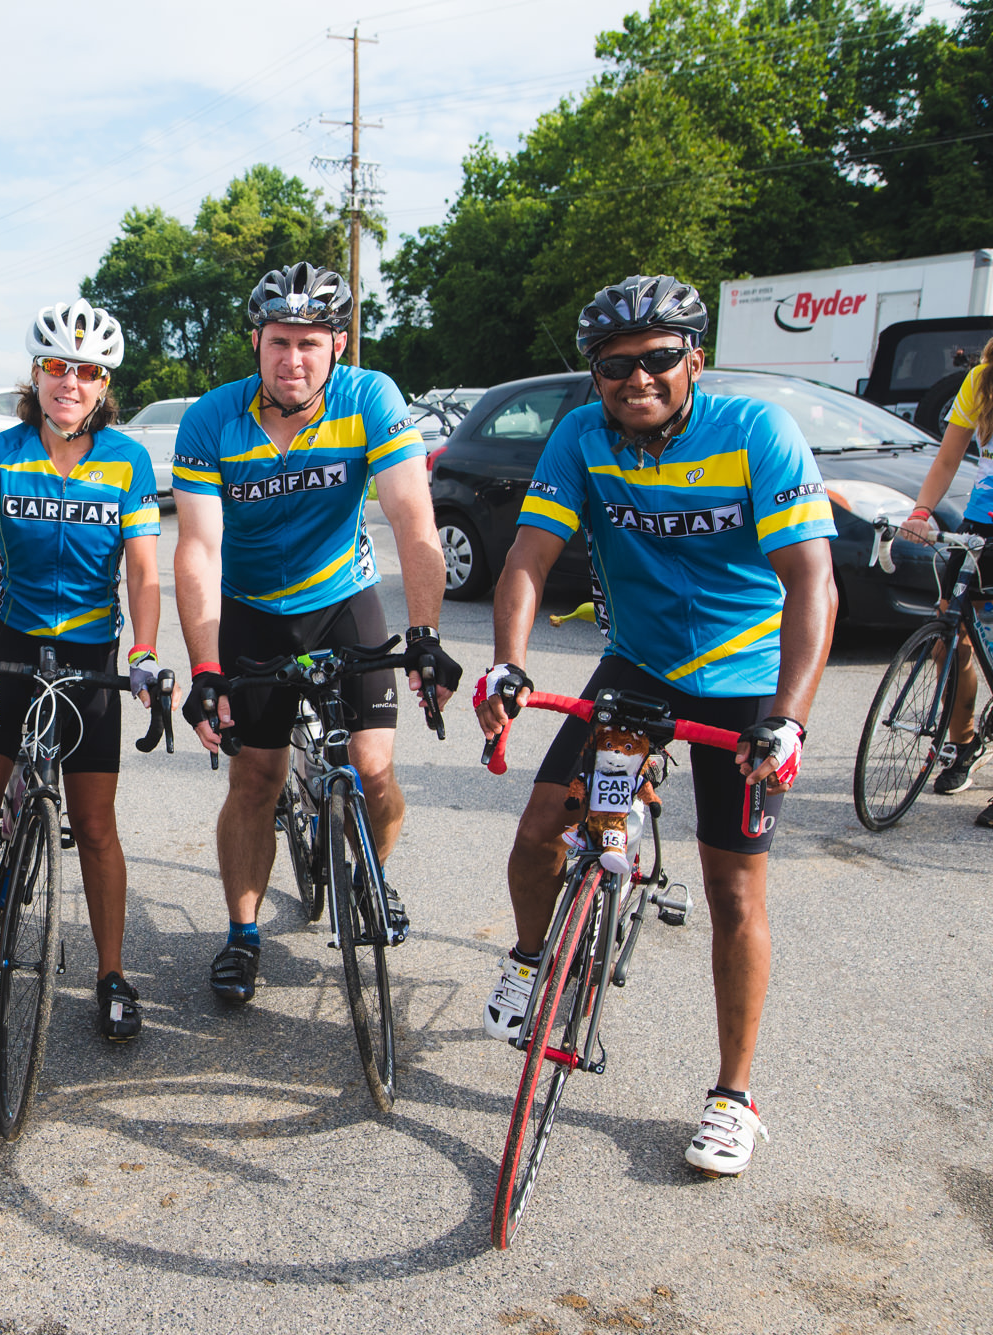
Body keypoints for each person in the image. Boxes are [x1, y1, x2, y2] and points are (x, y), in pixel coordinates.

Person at [472, 274, 838, 1177]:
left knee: (733, 893)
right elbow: (527, 556)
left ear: (693, 360)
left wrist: (788, 719)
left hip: (744, 681)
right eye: (614, 366)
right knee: (536, 834)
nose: (637, 379)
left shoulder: (754, 433)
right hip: (638, 666)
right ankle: (531, 960)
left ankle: (734, 1096)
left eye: (658, 360)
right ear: (594, 376)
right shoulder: (581, 436)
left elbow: (811, 583)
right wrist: (509, 661)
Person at [172, 263, 461, 1007]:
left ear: (336, 344)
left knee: (373, 771)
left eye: (308, 342)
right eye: (277, 342)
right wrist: (206, 666)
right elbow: (198, 550)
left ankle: (370, 871)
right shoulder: (212, 418)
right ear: (257, 343)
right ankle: (242, 934)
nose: (291, 359)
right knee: (256, 780)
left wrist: (424, 631)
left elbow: (411, 517)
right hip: (254, 610)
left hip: (342, 600)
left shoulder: (370, 398)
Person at [0, 299, 168, 1042]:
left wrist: (143, 652)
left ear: (104, 386)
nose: (69, 381)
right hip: (7, 640)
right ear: (34, 375)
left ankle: (110, 972)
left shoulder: (128, 460)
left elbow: (142, 570)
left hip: (91, 651)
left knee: (95, 822)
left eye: (86, 371)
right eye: (56, 367)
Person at [899, 335, 993, 824]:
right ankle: (965, 743)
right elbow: (948, 459)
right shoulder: (981, 378)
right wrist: (922, 510)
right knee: (950, 641)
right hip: (982, 524)